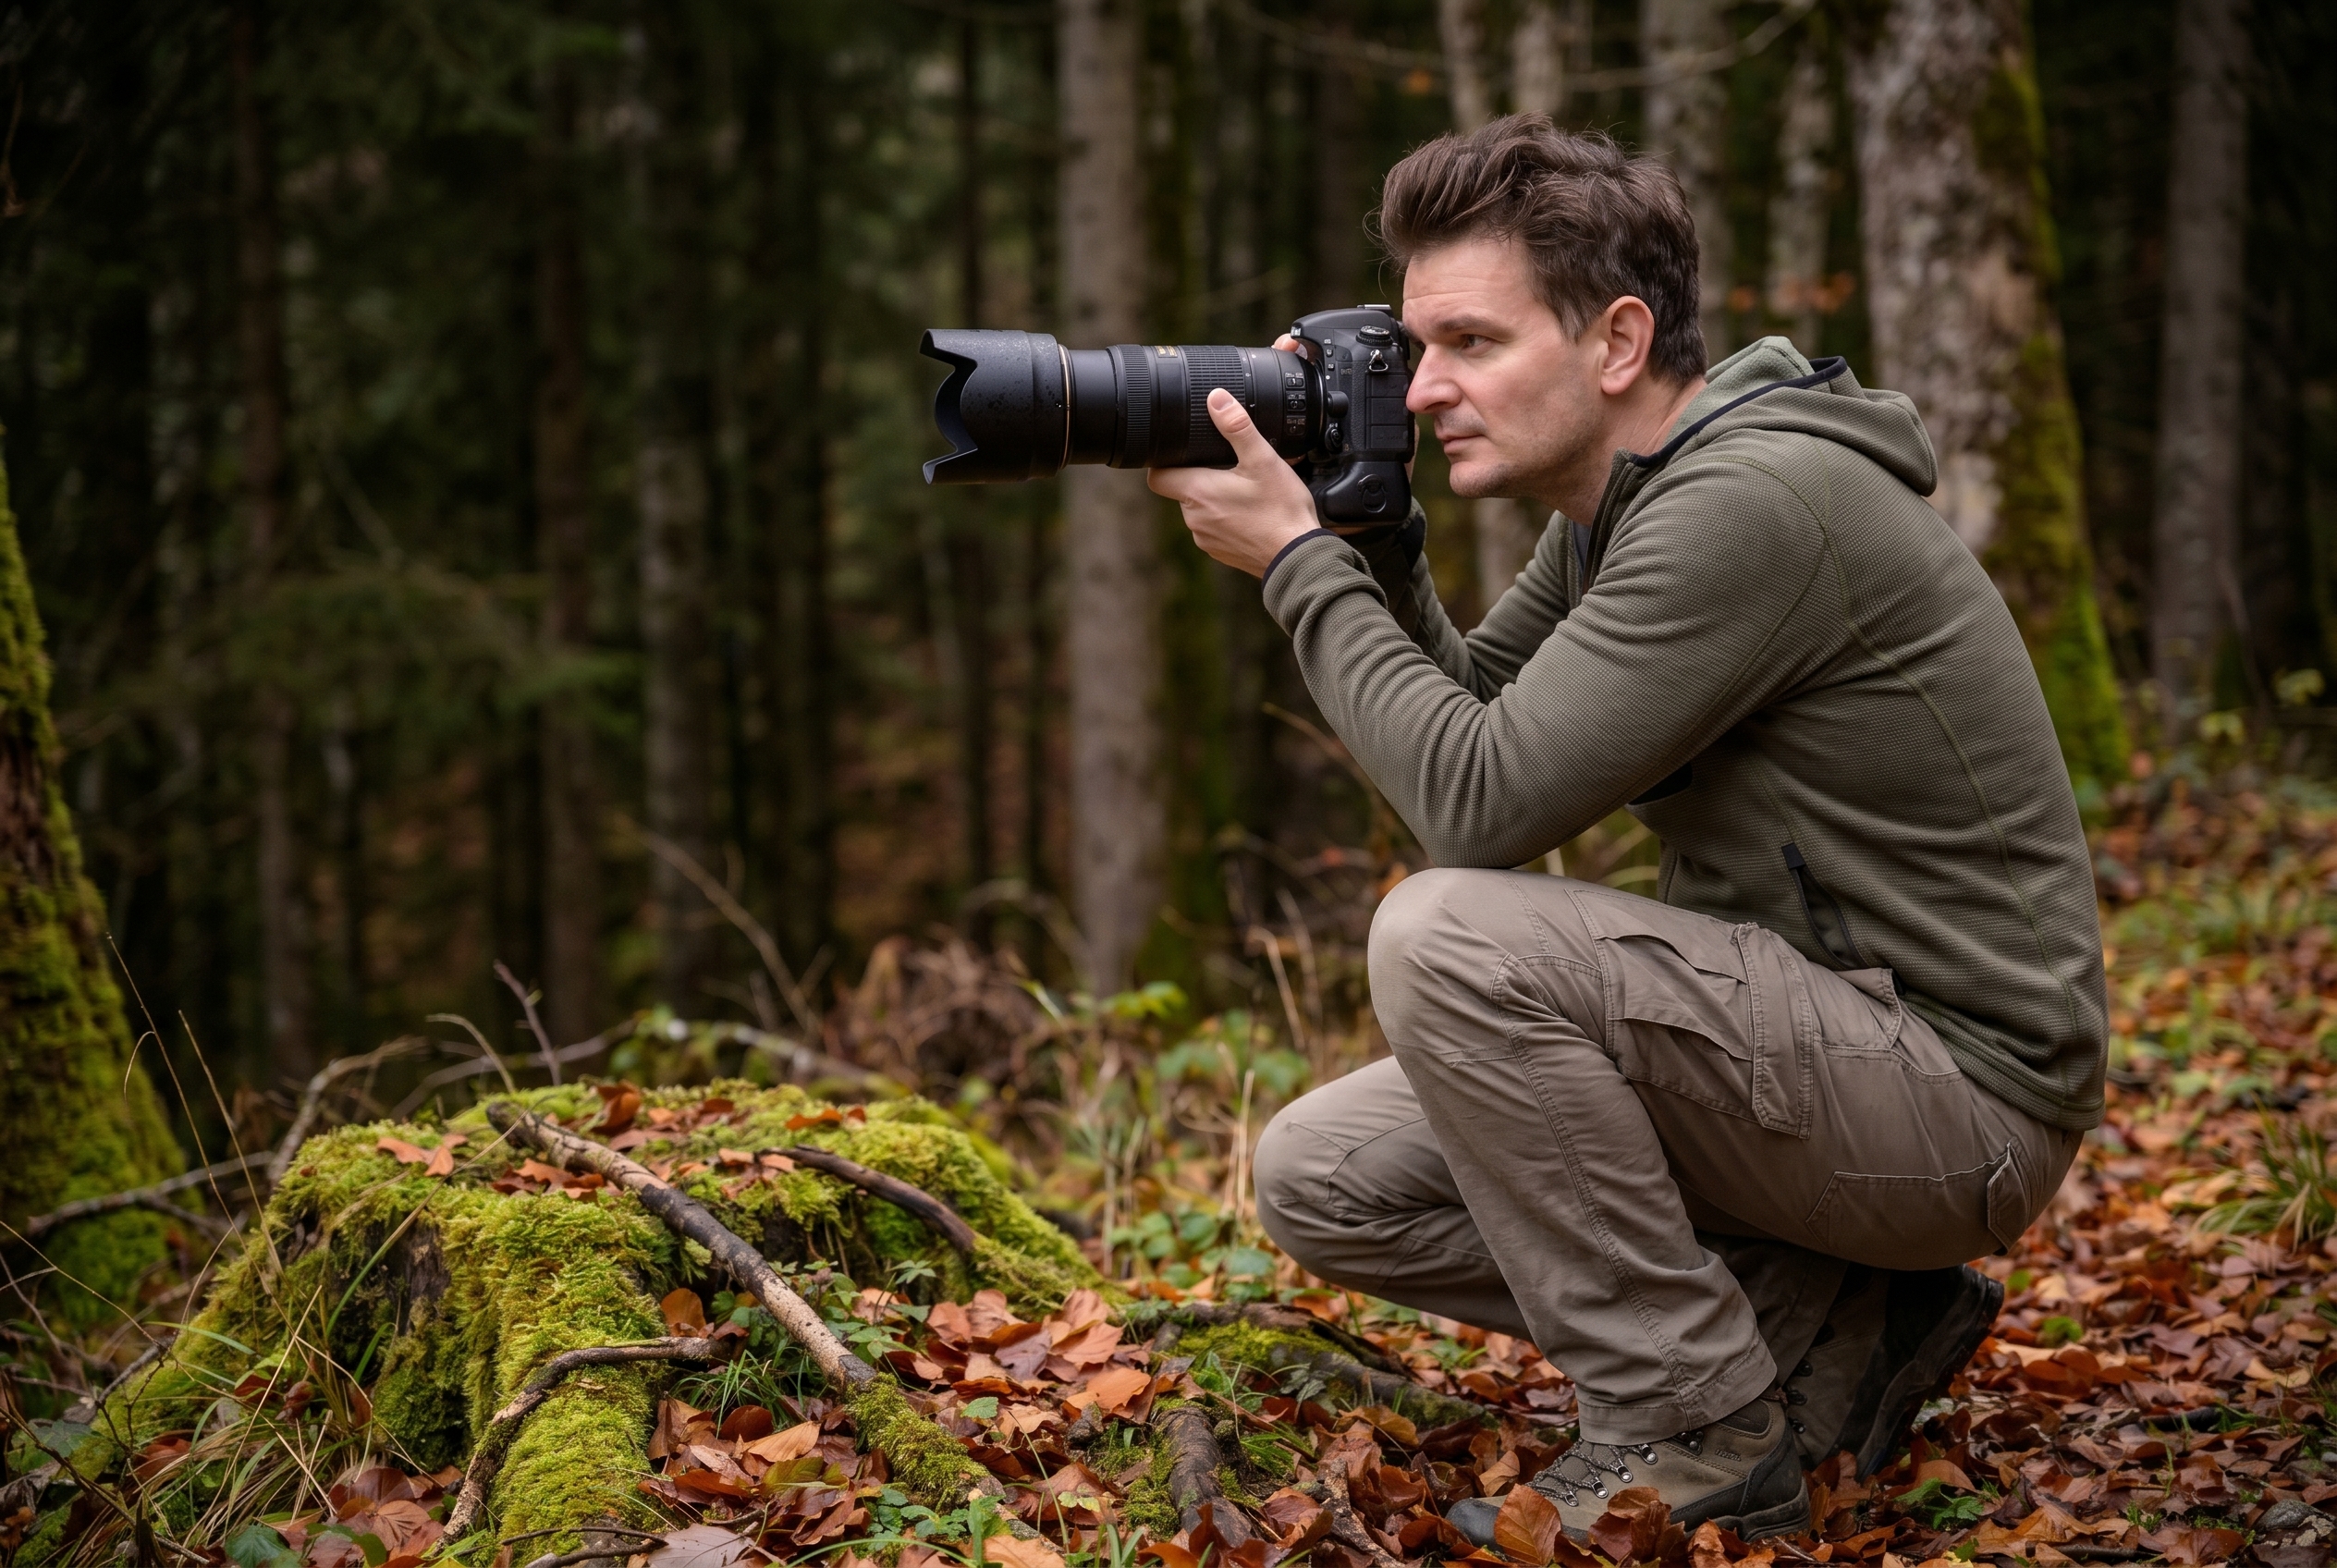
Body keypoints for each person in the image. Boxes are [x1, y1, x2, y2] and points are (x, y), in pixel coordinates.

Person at [1146, 116, 2102, 1545]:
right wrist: (1372, 538)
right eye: (1416, 351)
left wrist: (1295, 566)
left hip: (1961, 1103)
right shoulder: (1624, 509)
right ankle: (1842, 1326)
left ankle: (1696, 1430)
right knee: (1323, 1179)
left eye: (1471, 342)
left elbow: (1479, 808)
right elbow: (1466, 709)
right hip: (1837, 1060)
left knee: (1444, 934)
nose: (1424, 391)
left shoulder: (1752, 504)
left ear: (1615, 341)